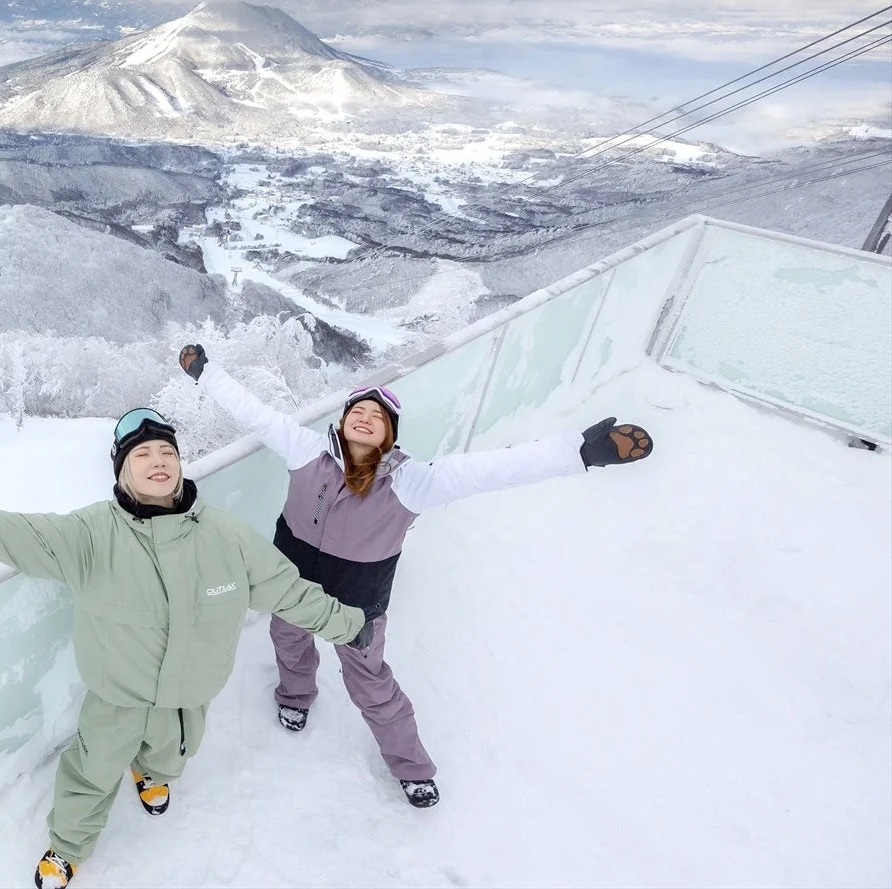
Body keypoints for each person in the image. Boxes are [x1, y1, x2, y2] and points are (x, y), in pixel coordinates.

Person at [0, 407, 371, 889]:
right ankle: (67, 847)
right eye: (142, 455)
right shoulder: (90, 535)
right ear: (122, 472)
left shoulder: (227, 537)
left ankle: (152, 774)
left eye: (166, 453)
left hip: (190, 694)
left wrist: (348, 624)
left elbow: (289, 590)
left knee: (175, 752)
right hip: (116, 696)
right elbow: (12, 533)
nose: (158, 461)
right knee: (91, 772)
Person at [176, 343, 653, 809]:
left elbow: (492, 468)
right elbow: (256, 413)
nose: (366, 417)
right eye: (357, 410)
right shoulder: (305, 452)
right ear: (341, 422)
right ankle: (296, 695)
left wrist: (577, 453)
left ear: (389, 436)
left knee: (371, 683)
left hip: (354, 608)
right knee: (289, 640)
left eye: (378, 417)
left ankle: (411, 767)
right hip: (292, 591)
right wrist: (206, 373)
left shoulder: (409, 482)